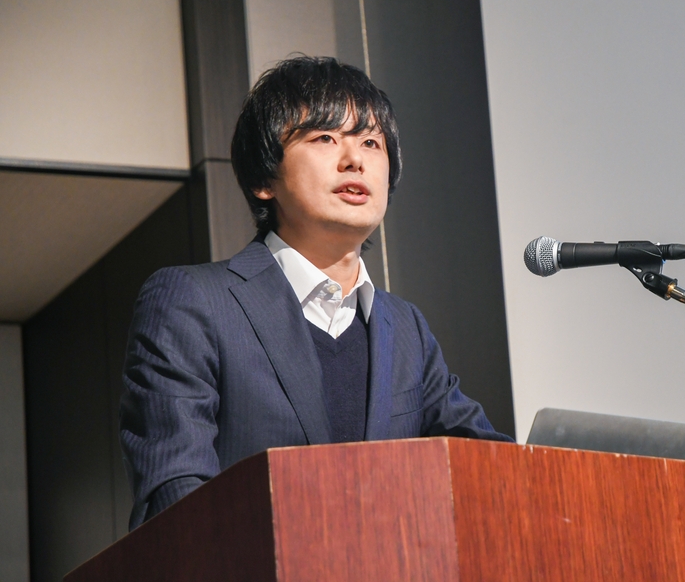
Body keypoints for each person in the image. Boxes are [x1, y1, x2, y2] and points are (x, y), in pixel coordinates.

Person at [120, 56, 512, 530]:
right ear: (263, 179)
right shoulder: (194, 301)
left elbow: (488, 468)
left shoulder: (406, 327)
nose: (355, 159)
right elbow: (175, 493)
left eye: (371, 142)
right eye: (325, 138)